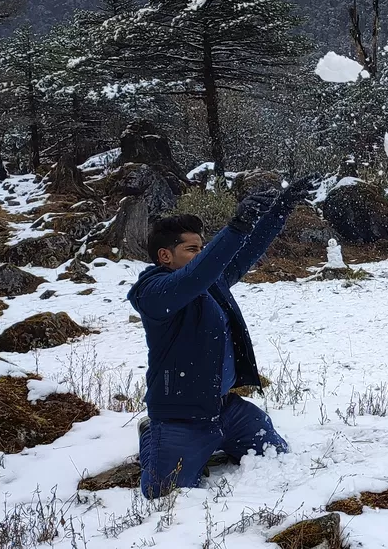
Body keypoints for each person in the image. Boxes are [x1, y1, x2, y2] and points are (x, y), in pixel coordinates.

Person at [130, 175, 319, 499]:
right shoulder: (155, 292)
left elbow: (243, 254)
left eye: (203, 249)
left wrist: (280, 210)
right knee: (161, 491)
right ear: (165, 256)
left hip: (225, 409)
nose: (202, 255)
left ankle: (219, 438)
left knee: (275, 454)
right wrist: (235, 226)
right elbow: (197, 275)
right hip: (181, 417)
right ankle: (151, 434)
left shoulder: (207, 282)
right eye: (192, 249)